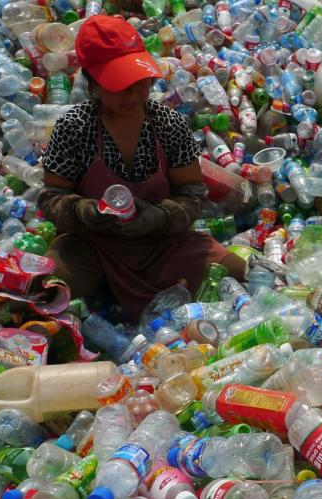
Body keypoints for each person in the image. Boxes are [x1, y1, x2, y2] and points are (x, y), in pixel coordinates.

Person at [38, 14, 245, 319]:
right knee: (48, 291)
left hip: (162, 245)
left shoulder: (168, 123)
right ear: (93, 82)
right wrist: (87, 212)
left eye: (140, 83)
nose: (133, 94)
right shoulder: (74, 126)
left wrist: (158, 217)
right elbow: (51, 198)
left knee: (236, 274)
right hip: (94, 246)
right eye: (120, 86)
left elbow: (192, 194)